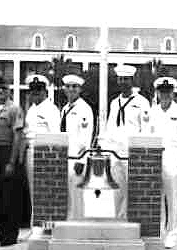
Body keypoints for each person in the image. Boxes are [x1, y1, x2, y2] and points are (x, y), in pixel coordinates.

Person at [101, 64, 151, 219]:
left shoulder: (142, 102)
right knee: (115, 188)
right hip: (115, 152)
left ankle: (128, 221)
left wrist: (141, 153)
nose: (123, 82)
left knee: (133, 189)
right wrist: (106, 150)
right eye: (121, 79)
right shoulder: (114, 102)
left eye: (126, 79)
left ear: (132, 80)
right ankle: (115, 220)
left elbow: (146, 129)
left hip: (131, 152)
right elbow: (110, 128)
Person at [150, 77, 177, 249]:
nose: (165, 94)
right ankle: (159, 230)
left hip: (175, 155)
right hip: (155, 155)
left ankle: (172, 233)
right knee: (157, 196)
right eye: (162, 91)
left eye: (168, 91)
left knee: (173, 197)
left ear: (173, 93)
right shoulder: (152, 111)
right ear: (158, 93)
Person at [0, 77, 25, 247]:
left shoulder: (15, 109)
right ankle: (0, 230)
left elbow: (17, 136)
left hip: (8, 151)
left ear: (9, 91)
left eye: (4, 89)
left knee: (10, 196)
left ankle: (10, 234)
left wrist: (12, 161)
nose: (0, 92)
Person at [23, 74, 60, 231]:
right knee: (33, 192)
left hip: (45, 154)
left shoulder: (51, 109)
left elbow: (55, 134)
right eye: (32, 91)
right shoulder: (31, 109)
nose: (35, 94)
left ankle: (46, 227)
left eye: (38, 91)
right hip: (30, 152)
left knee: (45, 192)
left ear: (45, 92)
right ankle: (35, 227)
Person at [60, 74, 94, 220]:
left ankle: (79, 223)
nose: (71, 89)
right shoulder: (64, 108)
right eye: (68, 86)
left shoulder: (84, 109)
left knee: (77, 194)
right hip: (64, 156)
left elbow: (86, 138)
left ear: (80, 89)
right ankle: (69, 222)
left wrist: (82, 160)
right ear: (64, 89)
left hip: (77, 158)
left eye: (74, 87)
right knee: (67, 195)